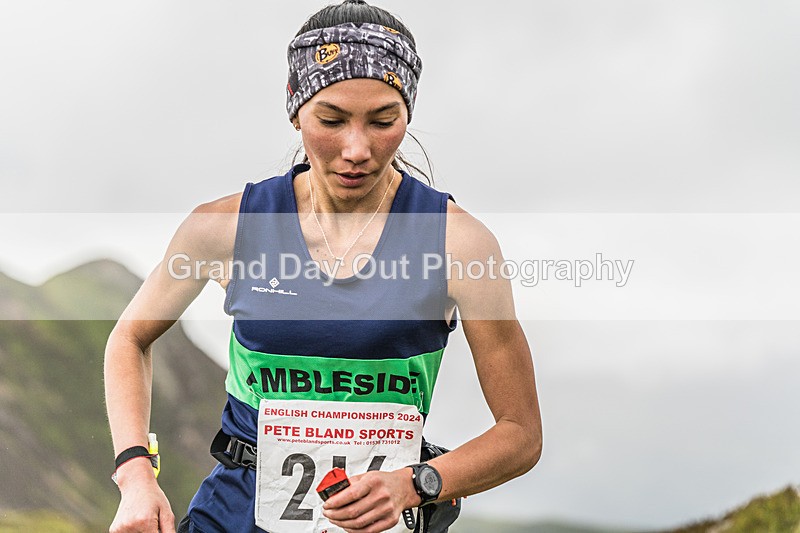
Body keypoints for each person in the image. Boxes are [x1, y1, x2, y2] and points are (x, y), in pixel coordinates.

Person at [104, 1, 542, 532]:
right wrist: (135, 474)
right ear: (295, 110)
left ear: (408, 114)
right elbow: (129, 338)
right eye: (331, 120)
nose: (356, 148)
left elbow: (520, 434)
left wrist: (415, 483)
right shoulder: (222, 228)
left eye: (383, 121)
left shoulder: (460, 244)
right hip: (235, 518)